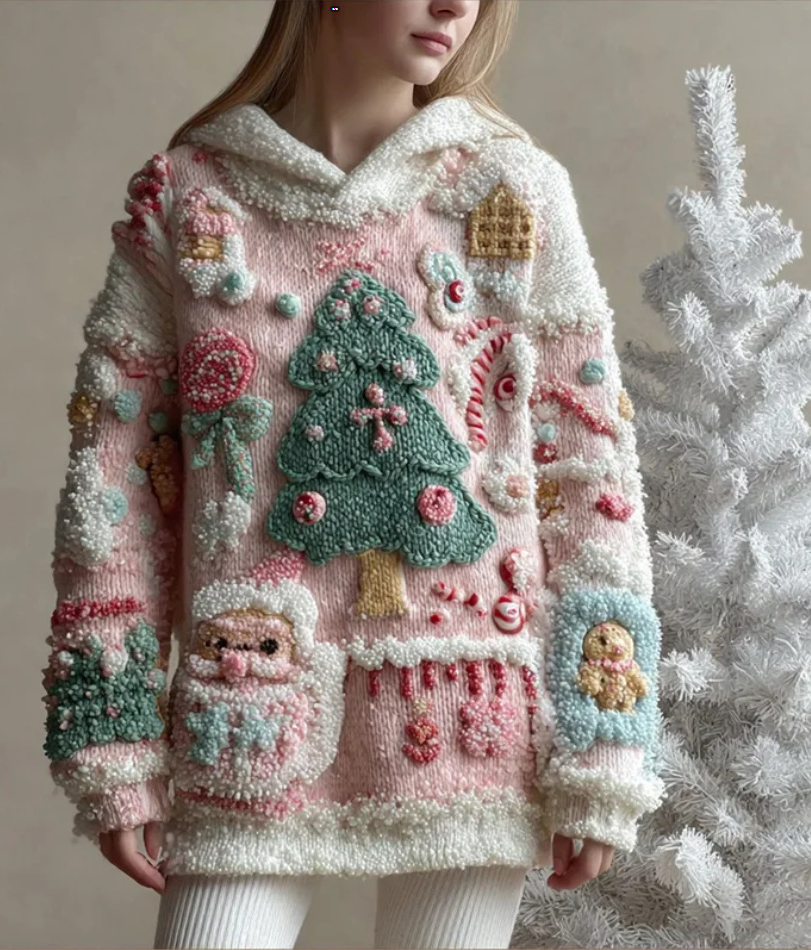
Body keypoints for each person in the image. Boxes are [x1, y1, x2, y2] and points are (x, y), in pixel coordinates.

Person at [41, 1, 668, 947]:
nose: (455, 5)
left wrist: (603, 746)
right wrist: (112, 737)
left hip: (473, 728)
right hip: (246, 723)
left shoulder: (513, 189)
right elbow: (114, 482)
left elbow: (588, 467)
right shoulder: (188, 197)